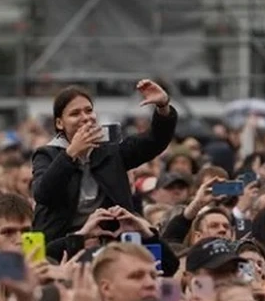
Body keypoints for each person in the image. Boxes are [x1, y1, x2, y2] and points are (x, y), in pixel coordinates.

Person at [31, 80, 176, 241]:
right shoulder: (46, 154)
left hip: (110, 240)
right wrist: (71, 153)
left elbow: (154, 141)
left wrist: (163, 106)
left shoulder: (111, 150)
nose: (85, 118)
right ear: (59, 123)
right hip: (64, 241)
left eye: (89, 111)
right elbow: (43, 194)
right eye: (75, 114)